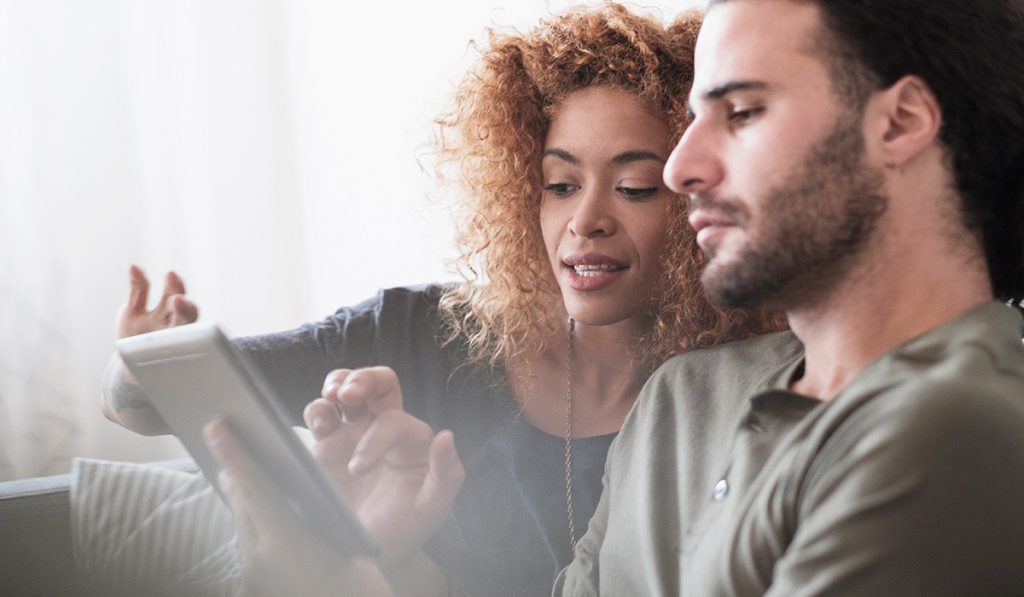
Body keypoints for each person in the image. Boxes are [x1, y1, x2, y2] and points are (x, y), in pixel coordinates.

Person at [209, 0, 1024, 594]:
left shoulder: (953, 425)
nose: (681, 168)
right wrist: (384, 567)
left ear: (900, 123)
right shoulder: (678, 401)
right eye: (692, 119)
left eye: (741, 111)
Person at [102, 5, 782, 595]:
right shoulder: (420, 334)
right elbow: (140, 403)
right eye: (559, 185)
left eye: (634, 188)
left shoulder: (741, 395)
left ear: (699, 197)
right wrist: (143, 358)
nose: (586, 220)